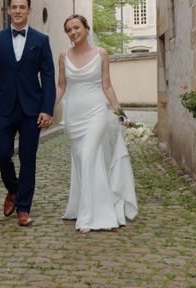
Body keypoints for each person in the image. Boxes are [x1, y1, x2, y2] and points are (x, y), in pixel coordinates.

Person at [55, 14, 138, 233]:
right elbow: (61, 86)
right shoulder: (63, 56)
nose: (73, 32)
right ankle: (82, 205)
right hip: (73, 115)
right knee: (81, 160)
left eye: (77, 27)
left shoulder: (101, 54)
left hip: (95, 113)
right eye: (69, 30)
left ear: (86, 28)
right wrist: (47, 110)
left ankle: (89, 216)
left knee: (89, 156)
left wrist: (120, 113)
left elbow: (107, 85)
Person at [0, 0, 55, 227]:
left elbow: (49, 76)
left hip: (32, 109)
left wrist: (47, 109)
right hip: (4, 107)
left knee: (28, 158)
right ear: (8, 10)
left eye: (22, 7)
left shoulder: (41, 40)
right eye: (14, 7)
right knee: (1, 154)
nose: (18, 10)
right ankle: (13, 189)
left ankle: (24, 208)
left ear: (29, 10)